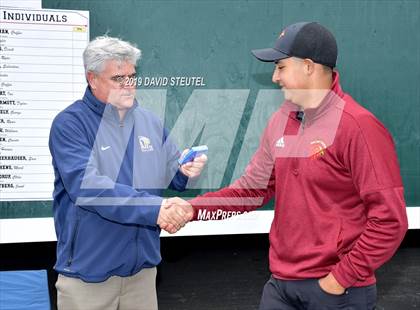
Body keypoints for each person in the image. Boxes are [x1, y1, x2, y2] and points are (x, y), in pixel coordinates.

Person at [175, 21, 408, 309]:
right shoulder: (280, 121)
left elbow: (390, 220)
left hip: (338, 293)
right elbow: (251, 190)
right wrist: (192, 209)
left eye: (281, 67)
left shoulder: (358, 127)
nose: (274, 77)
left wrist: (338, 280)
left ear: (309, 66)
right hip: (281, 287)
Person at [48, 36, 207, 310]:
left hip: (142, 275)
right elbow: (89, 188)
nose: (128, 85)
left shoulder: (149, 121)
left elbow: (172, 175)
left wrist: (184, 171)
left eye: (132, 76)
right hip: (89, 278)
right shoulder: (70, 124)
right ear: (92, 78)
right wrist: (155, 209)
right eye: (118, 78)